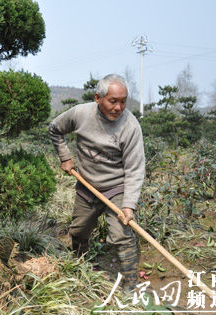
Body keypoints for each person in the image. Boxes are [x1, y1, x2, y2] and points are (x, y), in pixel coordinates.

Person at [49, 74, 145, 291]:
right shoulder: (80, 114)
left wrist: (128, 205)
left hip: (116, 188)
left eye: (123, 101)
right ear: (98, 98)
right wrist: (65, 156)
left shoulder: (130, 126)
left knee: (122, 235)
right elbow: (55, 129)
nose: (119, 107)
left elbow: (135, 169)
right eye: (113, 101)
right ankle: (79, 268)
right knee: (78, 231)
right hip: (87, 184)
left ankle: (130, 286)